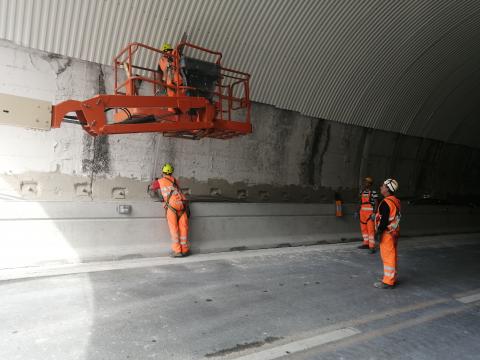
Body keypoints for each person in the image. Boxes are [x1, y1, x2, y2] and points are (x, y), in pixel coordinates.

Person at [149, 163, 190, 257]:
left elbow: (151, 189)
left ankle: (177, 251)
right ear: (171, 172)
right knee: (184, 229)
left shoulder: (160, 181)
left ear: (163, 172)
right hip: (182, 206)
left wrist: (160, 197)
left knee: (174, 229)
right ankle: (185, 250)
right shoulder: (175, 180)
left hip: (172, 207)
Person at [374, 179, 401, 289]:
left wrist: (378, 231)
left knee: (388, 256)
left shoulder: (386, 202)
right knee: (392, 255)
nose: (381, 187)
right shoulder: (396, 200)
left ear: (388, 189)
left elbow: (384, 220)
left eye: (383, 186)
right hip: (394, 232)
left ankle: (388, 282)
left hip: (387, 233)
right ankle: (391, 277)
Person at [357, 176, 379, 254]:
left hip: (370, 214)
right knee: (364, 229)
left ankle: (372, 246)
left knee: (370, 230)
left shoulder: (373, 192)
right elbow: (360, 202)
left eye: (366, 182)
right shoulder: (362, 192)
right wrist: (357, 211)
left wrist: (374, 213)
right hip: (362, 213)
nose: (364, 183)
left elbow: (376, 203)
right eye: (364, 182)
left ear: (370, 184)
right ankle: (366, 243)